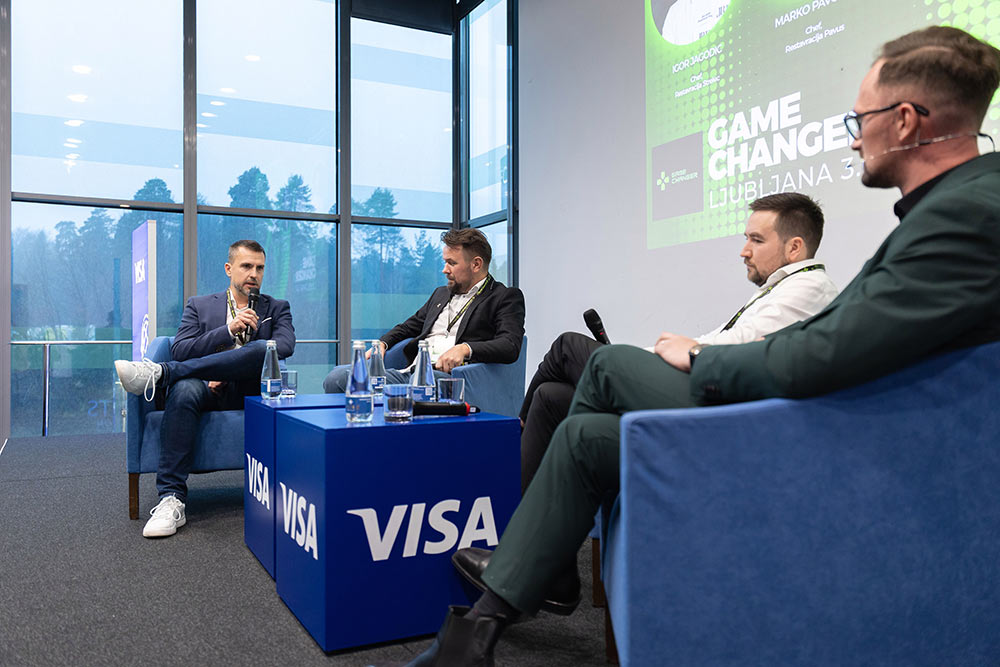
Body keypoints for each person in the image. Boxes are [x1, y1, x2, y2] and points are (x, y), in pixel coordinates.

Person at [409, 25, 1000, 665]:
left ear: (906, 121)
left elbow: (827, 352)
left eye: (860, 119)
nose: (855, 137)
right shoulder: (952, 208)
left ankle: (521, 591)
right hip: (812, 417)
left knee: (603, 363)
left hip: (811, 435)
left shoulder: (968, 212)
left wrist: (702, 358)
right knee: (583, 436)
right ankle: (480, 632)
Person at [519, 192, 838, 495]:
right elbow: (725, 340)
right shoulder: (781, 288)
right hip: (703, 386)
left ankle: (513, 426)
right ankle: (516, 516)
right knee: (550, 397)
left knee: (568, 346)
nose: (744, 251)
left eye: (756, 240)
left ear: (794, 248)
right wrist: (652, 355)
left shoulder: (810, 288)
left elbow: (739, 345)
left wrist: (660, 355)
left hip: (715, 408)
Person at [114, 240, 295, 538]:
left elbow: (285, 346)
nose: (254, 274)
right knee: (184, 389)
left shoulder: (276, 308)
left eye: (260, 268)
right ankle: (171, 498)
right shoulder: (199, 305)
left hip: (248, 391)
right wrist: (228, 331)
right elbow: (181, 349)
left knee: (265, 347)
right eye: (246, 266)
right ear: (229, 269)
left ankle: (161, 374)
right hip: (204, 390)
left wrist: (221, 369)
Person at [322, 228, 525, 392]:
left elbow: (510, 345)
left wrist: (465, 349)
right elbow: (408, 327)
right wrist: (383, 343)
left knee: (418, 386)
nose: (445, 269)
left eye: (452, 263)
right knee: (336, 378)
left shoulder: (504, 297)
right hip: (411, 372)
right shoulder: (441, 294)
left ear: (476, 264)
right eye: (445, 262)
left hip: (447, 378)